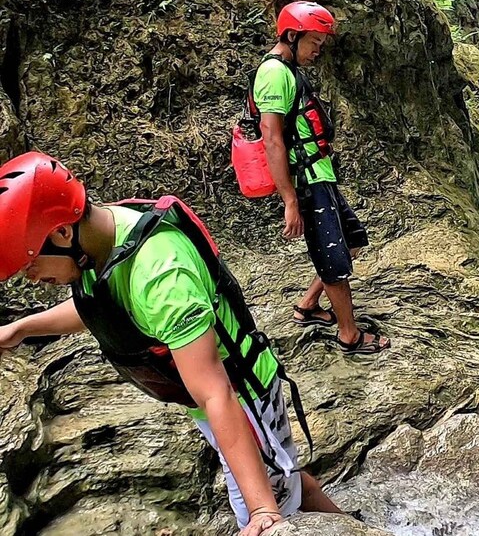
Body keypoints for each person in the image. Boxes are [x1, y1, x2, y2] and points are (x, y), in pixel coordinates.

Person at [0, 152, 347, 535]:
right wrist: (21, 329)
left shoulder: (163, 276)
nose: (31, 278)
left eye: (31, 263)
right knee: (287, 479)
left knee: (269, 511)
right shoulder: (103, 238)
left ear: (62, 233)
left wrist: (262, 509)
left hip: (243, 398)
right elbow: (105, 306)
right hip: (217, 400)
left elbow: (216, 393)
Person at [251, 1, 389, 353]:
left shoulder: (289, 69)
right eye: (314, 42)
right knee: (333, 262)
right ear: (293, 35)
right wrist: (290, 201)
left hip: (319, 175)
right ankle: (349, 335)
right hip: (307, 183)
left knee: (353, 238)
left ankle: (308, 305)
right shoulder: (274, 74)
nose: (317, 51)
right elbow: (272, 138)